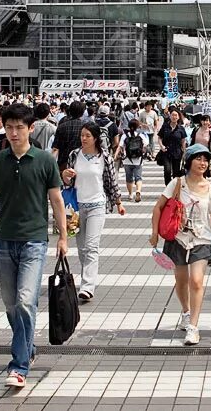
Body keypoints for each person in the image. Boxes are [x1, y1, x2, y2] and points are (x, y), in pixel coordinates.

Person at [0, 102, 68, 389]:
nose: (13, 133)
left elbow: (57, 200)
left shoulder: (44, 160)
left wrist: (62, 236)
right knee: (11, 304)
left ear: (30, 129)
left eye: (19, 127)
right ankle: (28, 348)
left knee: (25, 300)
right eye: (9, 127)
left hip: (34, 239)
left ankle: (19, 365)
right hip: (5, 240)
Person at [149, 144, 211, 346]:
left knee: (196, 281)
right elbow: (158, 207)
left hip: (202, 240)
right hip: (178, 239)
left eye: (205, 160)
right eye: (198, 159)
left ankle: (193, 327)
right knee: (181, 280)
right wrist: (154, 233)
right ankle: (185, 311)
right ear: (189, 161)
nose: (203, 163)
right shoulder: (177, 183)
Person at [62, 123, 125, 303]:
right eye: (82, 135)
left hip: (97, 205)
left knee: (91, 246)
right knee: (82, 248)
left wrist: (118, 203)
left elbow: (112, 181)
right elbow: (66, 183)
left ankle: (87, 286)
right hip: (76, 206)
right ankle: (87, 278)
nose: (84, 138)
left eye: (88, 136)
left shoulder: (105, 157)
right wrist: (66, 175)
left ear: (95, 138)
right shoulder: (75, 155)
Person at [116, 121, 147, 202]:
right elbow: (146, 145)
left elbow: (120, 146)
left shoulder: (124, 136)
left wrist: (115, 155)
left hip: (127, 160)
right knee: (138, 177)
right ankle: (138, 191)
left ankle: (130, 194)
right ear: (137, 127)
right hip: (138, 160)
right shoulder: (140, 135)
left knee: (129, 178)